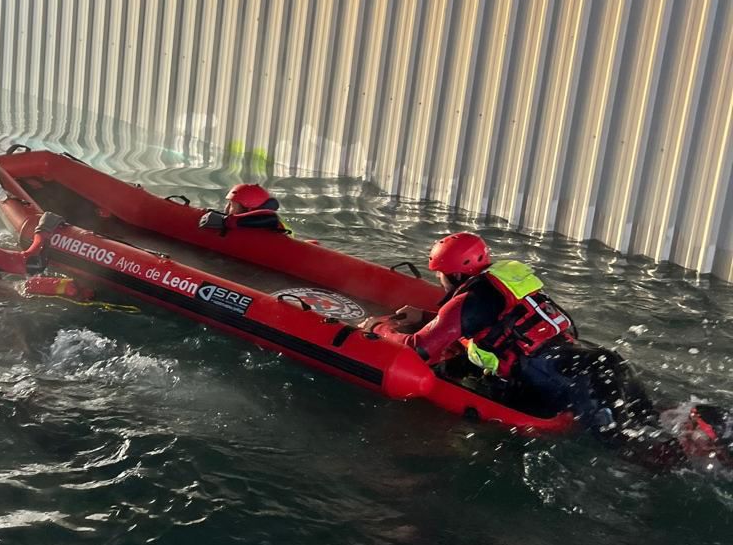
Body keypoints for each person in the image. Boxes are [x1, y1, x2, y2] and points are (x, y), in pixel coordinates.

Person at [366, 232, 730, 454]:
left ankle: (687, 458)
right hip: (601, 361)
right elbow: (495, 325)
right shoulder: (504, 279)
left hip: (576, 384)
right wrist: (430, 317)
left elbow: (417, 349)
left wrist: (380, 328)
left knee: (638, 451)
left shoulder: (467, 301)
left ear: (452, 274)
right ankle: (704, 424)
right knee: (648, 418)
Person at [199, 183, 290, 237]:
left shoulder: (268, 220)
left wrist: (225, 221)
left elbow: (271, 219)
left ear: (248, 210)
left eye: (231, 205)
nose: (226, 208)